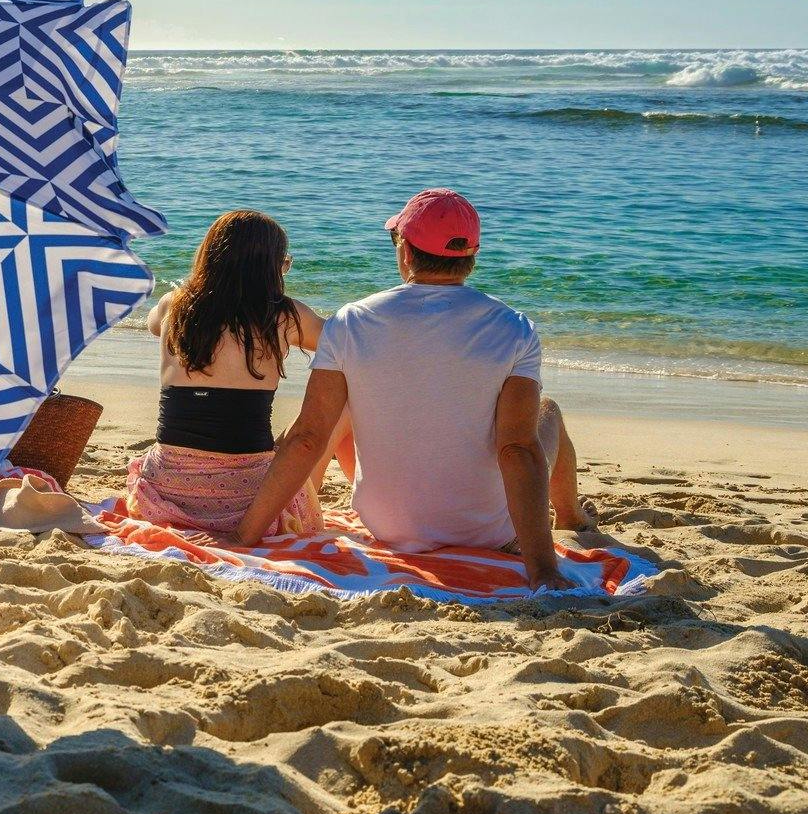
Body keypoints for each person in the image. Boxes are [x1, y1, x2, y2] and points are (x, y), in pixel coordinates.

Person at [231, 189, 591, 587]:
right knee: (547, 413)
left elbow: (306, 439)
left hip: (387, 526)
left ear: (405, 251)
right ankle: (572, 516)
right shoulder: (514, 329)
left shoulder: (350, 323)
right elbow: (516, 449)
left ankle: (571, 515)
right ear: (471, 257)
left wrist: (246, 535)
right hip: (486, 533)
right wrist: (543, 570)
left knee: (342, 407)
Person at [127, 210, 350, 540]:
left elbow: (154, 327)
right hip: (246, 502)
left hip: (167, 491)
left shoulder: (173, 306)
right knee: (337, 409)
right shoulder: (285, 316)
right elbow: (340, 345)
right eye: (284, 263)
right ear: (270, 268)